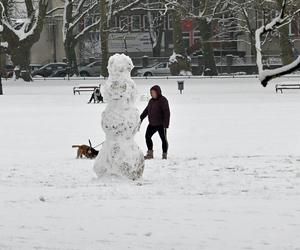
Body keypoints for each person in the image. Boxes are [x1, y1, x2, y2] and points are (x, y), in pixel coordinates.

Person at [140, 85, 170, 160]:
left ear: (158, 92)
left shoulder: (163, 100)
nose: (152, 94)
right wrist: (140, 118)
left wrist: (166, 124)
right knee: (147, 136)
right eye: (151, 93)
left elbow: (167, 112)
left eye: (153, 92)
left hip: (161, 124)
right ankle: (150, 154)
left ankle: (164, 154)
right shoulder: (151, 101)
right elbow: (146, 111)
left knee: (163, 139)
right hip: (152, 124)